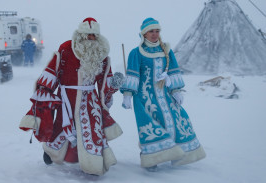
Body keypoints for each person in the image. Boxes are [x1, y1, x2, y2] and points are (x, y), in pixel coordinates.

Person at [19, 17, 123, 176]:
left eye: (94, 35)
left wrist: (114, 84)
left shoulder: (101, 54)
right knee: (61, 126)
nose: (91, 38)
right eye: (88, 35)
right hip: (67, 97)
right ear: (81, 35)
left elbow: (104, 83)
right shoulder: (67, 48)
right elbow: (54, 69)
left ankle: (93, 164)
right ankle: (50, 152)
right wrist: (45, 89)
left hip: (90, 101)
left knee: (92, 130)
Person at [120, 18, 206, 172]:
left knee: (175, 121)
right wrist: (127, 94)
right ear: (144, 33)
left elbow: (173, 71)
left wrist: (176, 89)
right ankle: (151, 157)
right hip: (144, 98)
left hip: (165, 95)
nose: (154, 34)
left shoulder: (166, 50)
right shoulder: (136, 52)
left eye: (157, 31)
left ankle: (176, 154)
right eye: (151, 31)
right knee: (151, 126)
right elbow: (133, 75)